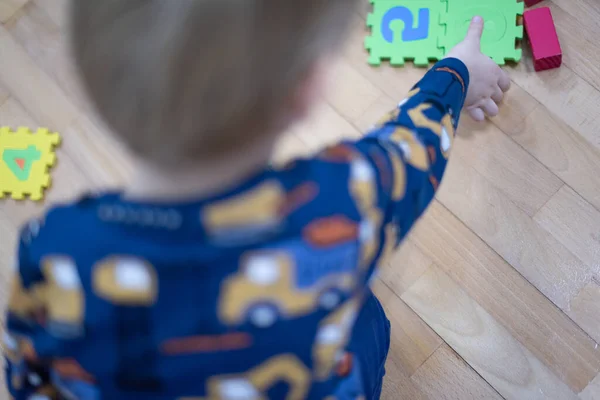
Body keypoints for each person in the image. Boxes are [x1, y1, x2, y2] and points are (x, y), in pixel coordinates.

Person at [3, 1, 509, 399]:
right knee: (365, 320)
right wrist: (456, 75)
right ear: (308, 89)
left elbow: (28, 376)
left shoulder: (51, 248)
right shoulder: (344, 202)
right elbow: (411, 148)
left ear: (97, 89)